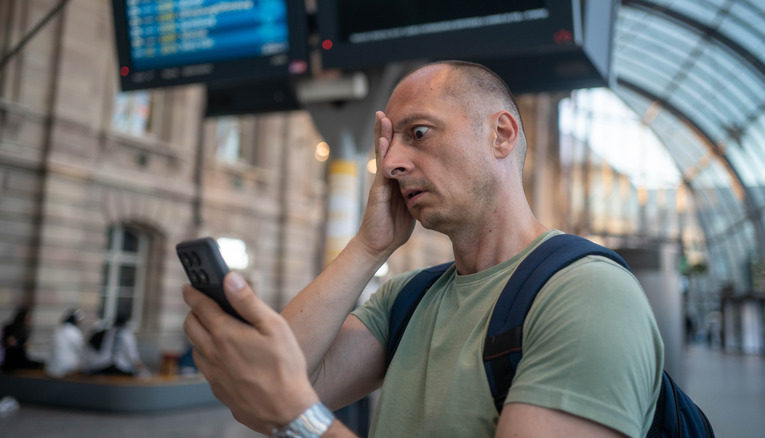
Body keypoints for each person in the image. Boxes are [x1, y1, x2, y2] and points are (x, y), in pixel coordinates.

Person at [183, 60, 664, 437]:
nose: (389, 163)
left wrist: (302, 420)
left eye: (417, 134)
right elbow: (266, 397)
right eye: (387, 146)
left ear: (501, 135)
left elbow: (288, 403)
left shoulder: (587, 295)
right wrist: (369, 248)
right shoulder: (407, 299)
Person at [1, 307, 44, 372]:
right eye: (28, 318)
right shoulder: (12, 328)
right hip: (13, 361)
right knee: (40, 365)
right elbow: (10, 343)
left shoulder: (22, 329)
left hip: (17, 359)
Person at [45, 308, 85, 378]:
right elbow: (81, 349)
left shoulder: (58, 329)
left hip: (52, 367)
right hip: (67, 368)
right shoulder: (74, 332)